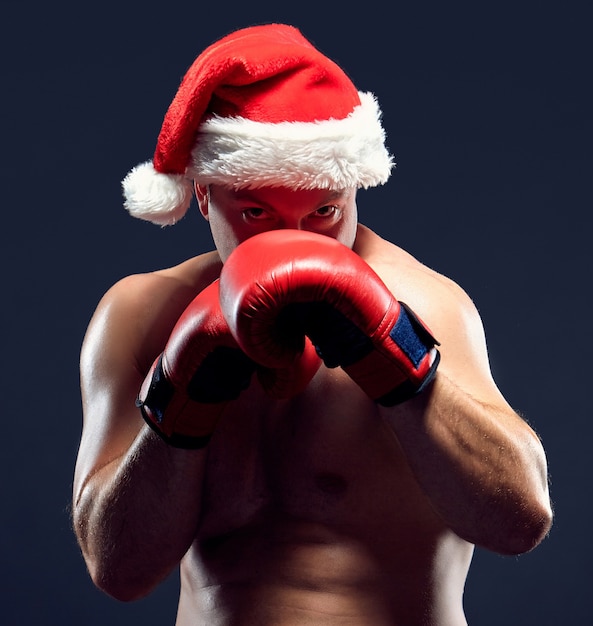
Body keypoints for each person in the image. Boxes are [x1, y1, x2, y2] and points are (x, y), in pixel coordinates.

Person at [72, 23, 552, 625]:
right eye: (256, 212)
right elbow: (116, 570)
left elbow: (520, 521)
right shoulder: (143, 315)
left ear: (352, 188)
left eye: (324, 211)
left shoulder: (425, 304)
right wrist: (179, 400)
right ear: (201, 195)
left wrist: (397, 359)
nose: (295, 242)